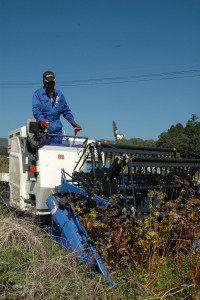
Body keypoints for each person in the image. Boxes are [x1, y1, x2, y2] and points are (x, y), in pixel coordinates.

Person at [32, 71, 82, 144]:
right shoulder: (37, 94)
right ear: (43, 82)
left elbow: (66, 111)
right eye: (48, 82)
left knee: (57, 152)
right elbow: (36, 110)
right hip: (43, 131)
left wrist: (73, 122)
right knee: (44, 153)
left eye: (52, 82)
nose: (50, 85)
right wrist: (42, 121)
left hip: (57, 132)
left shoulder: (60, 94)